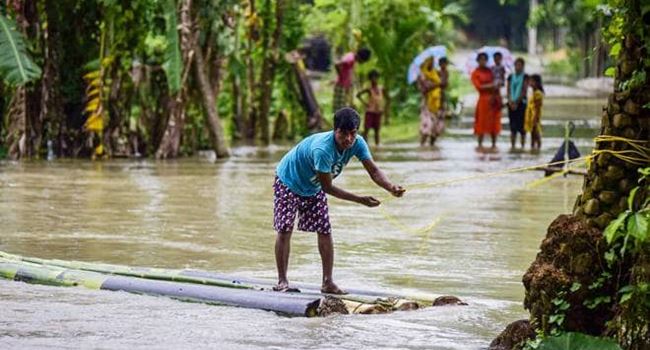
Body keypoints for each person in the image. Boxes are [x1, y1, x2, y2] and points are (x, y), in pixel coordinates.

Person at [273, 107, 405, 294]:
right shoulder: (323, 149)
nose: (348, 139)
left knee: (324, 230)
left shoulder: (358, 143)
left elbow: (374, 171)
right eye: (343, 133)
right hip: (288, 180)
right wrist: (360, 200)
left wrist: (391, 187)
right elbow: (328, 187)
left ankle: (328, 282)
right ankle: (282, 281)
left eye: (353, 133)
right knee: (285, 228)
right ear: (335, 131)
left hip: (313, 187)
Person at [471, 52, 500, 150]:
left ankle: (494, 144)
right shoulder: (475, 73)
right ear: (478, 61)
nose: (483, 61)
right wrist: (491, 85)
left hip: (493, 99)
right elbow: (479, 86)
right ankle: (480, 144)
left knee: (494, 122)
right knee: (481, 122)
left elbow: (498, 81)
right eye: (481, 60)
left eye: (485, 59)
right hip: (483, 100)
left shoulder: (491, 71)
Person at [332, 48, 371, 113]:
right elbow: (337, 64)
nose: (361, 63)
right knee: (340, 108)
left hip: (345, 86)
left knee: (344, 107)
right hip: (341, 85)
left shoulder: (352, 57)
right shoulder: (351, 58)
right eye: (363, 61)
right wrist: (341, 77)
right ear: (360, 57)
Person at [417, 57, 444, 146]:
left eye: (433, 61)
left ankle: (432, 148)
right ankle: (422, 146)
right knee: (426, 127)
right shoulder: (421, 75)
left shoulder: (436, 73)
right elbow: (425, 88)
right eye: (429, 61)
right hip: (427, 104)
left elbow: (443, 86)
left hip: (437, 103)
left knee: (435, 130)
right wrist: (437, 84)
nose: (431, 63)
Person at [356, 69, 384, 146]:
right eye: (372, 77)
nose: (374, 79)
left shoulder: (381, 88)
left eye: (376, 77)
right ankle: (364, 146)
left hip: (378, 112)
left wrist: (383, 108)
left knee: (377, 131)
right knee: (366, 130)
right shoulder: (369, 89)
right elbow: (358, 95)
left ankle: (377, 145)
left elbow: (387, 99)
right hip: (370, 112)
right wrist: (365, 103)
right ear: (370, 79)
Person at [506, 57, 528, 149]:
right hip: (511, 104)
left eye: (520, 65)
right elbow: (508, 90)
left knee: (522, 128)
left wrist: (516, 102)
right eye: (516, 65)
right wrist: (511, 101)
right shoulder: (511, 76)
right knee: (513, 128)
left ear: (523, 66)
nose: (518, 67)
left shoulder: (525, 77)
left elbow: (524, 91)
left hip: (521, 104)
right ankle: (513, 147)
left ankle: (522, 147)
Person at [525, 74, 545, 151]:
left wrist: (535, 119)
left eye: (531, 81)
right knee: (532, 134)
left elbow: (537, 108)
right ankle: (533, 149)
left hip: (535, 117)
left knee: (536, 134)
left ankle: (537, 148)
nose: (530, 83)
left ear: (536, 82)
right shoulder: (533, 93)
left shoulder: (538, 94)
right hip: (531, 116)